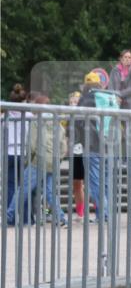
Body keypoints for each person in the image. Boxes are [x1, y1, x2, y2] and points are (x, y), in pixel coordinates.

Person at [7, 93, 66, 227]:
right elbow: (63, 144)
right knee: (50, 191)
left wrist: (28, 161)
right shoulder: (56, 120)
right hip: (54, 160)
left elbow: (32, 145)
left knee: (23, 189)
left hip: (39, 160)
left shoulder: (35, 121)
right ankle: (61, 218)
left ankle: (8, 215)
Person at [75, 71, 113, 222]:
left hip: (92, 145)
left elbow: (77, 121)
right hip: (109, 144)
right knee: (105, 182)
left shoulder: (85, 98)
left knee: (95, 181)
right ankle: (103, 214)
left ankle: (104, 214)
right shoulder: (108, 98)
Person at [4, 83, 31, 221]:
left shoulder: (5, 115)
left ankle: (11, 218)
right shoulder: (30, 114)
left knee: (10, 187)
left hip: (9, 153)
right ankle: (27, 218)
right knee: (24, 187)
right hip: (24, 153)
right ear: (24, 100)